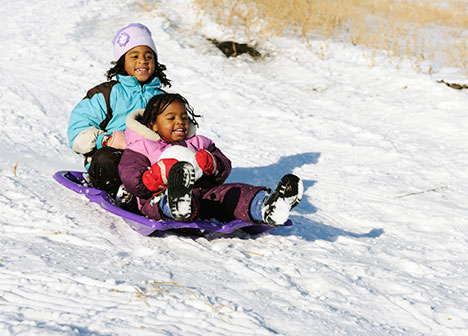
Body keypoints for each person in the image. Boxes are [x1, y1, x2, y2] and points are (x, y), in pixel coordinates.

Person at [118, 93, 304, 226]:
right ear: (153, 124)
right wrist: (156, 177)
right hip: (155, 197)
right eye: (171, 118)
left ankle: (266, 208)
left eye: (184, 117)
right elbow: (131, 176)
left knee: (234, 193)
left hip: (204, 194)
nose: (180, 122)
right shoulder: (142, 146)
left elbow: (224, 166)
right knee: (159, 202)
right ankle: (176, 204)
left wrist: (213, 165)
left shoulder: (198, 142)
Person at [67, 23, 170, 205]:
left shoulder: (163, 99)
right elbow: (77, 131)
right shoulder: (107, 93)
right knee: (106, 159)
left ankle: (174, 198)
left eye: (149, 56)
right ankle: (124, 193)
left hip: (150, 160)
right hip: (115, 157)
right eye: (135, 56)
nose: (143, 61)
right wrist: (106, 140)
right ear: (123, 61)